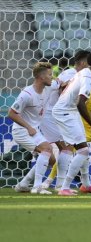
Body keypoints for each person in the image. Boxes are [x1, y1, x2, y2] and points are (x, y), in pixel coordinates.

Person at [52, 51, 91, 196]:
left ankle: (86, 185)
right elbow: (80, 103)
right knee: (83, 151)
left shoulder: (84, 73)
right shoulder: (87, 76)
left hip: (69, 111)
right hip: (65, 112)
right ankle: (64, 187)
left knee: (84, 148)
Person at [40, 50, 90, 191]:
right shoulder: (71, 74)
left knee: (65, 148)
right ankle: (60, 185)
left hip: (55, 113)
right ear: (82, 63)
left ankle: (58, 185)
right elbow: (64, 93)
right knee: (67, 148)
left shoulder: (74, 75)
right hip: (55, 114)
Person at [9, 62, 57, 194]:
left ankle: (23, 184)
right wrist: (28, 127)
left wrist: (63, 81)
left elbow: (62, 83)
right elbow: (11, 113)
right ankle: (37, 187)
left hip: (33, 131)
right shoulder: (27, 95)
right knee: (46, 149)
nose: (52, 77)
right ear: (41, 77)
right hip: (21, 131)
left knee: (51, 159)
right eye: (49, 75)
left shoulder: (49, 87)